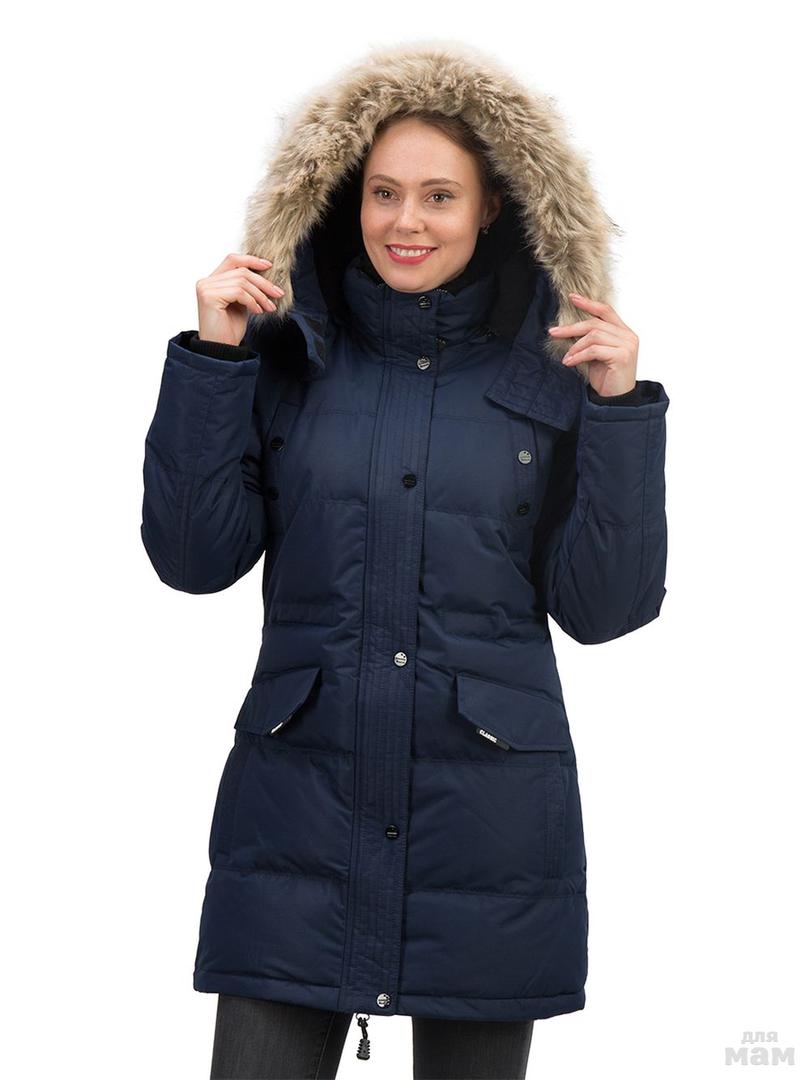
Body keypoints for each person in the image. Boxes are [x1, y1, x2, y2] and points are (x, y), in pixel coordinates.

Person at [140, 41, 670, 1080]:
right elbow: (194, 559)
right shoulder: (287, 354)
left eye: (439, 195)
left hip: (487, 840)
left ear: (492, 208)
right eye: (383, 192)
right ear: (347, 198)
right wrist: (213, 360)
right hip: (294, 828)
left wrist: (619, 415)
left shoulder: (553, 370)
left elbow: (605, 609)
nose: (405, 221)